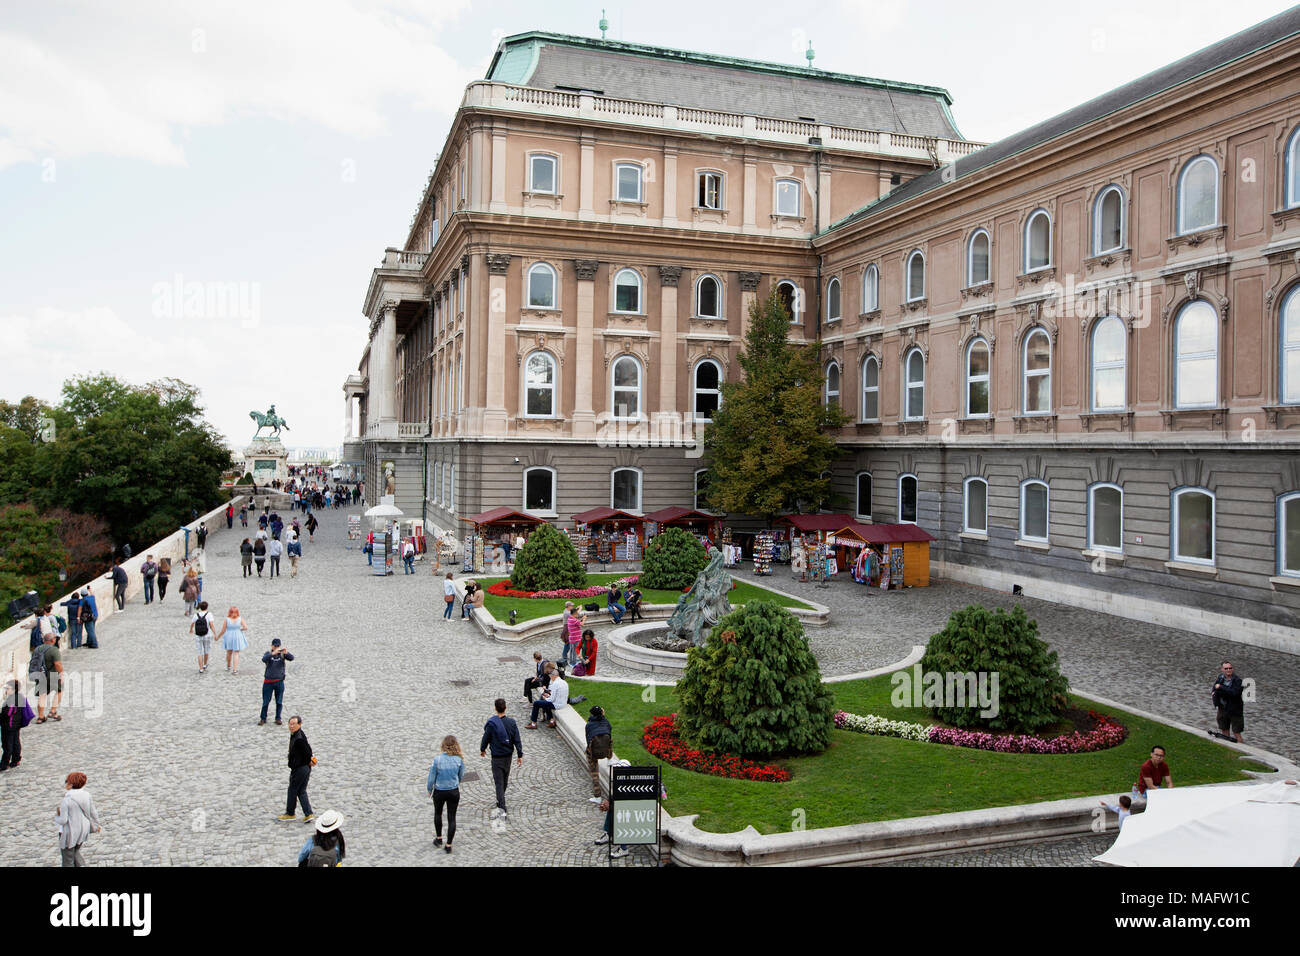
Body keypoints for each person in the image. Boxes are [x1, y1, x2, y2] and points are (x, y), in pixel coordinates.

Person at [479, 697, 523, 819]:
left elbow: (486, 738)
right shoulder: (512, 723)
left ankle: (502, 806)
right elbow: (517, 739)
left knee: (499, 782)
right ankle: (501, 800)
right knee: (504, 780)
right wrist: (520, 754)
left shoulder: (492, 724)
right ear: (505, 708)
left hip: (497, 757)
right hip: (508, 756)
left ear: (495, 708)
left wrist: (482, 749)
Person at [427, 735, 465, 853]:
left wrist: (429, 789)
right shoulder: (459, 760)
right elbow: (461, 775)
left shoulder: (437, 760)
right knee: (451, 817)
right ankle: (449, 845)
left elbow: (431, 778)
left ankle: (439, 839)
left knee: (438, 814)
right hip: (453, 791)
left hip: (439, 791)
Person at [55, 772, 102, 867]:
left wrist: (57, 816)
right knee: (75, 852)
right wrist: (97, 825)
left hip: (69, 833)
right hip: (83, 830)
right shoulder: (86, 795)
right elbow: (93, 812)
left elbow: (63, 820)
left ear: (71, 784)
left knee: (68, 860)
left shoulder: (67, 800)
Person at [280, 715, 316, 822]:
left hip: (300, 768)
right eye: (290, 724)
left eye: (293, 724)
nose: (291, 726)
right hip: (304, 768)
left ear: (299, 724)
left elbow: (307, 751)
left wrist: (309, 759)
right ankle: (308, 813)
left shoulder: (298, 738)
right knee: (301, 790)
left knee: (293, 789)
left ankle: (290, 813)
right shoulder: (297, 734)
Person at [30, 632, 64, 722]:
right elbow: (57, 664)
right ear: (53, 640)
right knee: (59, 691)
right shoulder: (54, 650)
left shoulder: (37, 649)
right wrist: (61, 673)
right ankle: (52, 711)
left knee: (42, 695)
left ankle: (41, 717)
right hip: (52, 674)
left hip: (40, 674)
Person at [259, 638, 294, 725]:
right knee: (266, 701)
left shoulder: (282, 655)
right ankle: (263, 718)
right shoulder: (268, 654)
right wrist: (272, 654)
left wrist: (287, 653)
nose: (277, 648)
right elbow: (263, 659)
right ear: (272, 646)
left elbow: (292, 658)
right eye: (275, 646)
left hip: (279, 681)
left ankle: (278, 718)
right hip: (268, 682)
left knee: (279, 701)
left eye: (278, 646)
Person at [1, 679, 32, 771]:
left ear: (14, 689)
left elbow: (7, 714)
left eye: (8, 688)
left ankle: (4, 763)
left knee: (7, 745)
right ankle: (16, 760)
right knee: (16, 743)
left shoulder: (11, 700)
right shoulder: (20, 697)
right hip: (16, 725)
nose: (6, 690)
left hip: (9, 726)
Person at [1211, 660, 1245, 743]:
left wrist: (1221, 688)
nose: (1228, 670)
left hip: (1235, 709)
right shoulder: (1220, 677)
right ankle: (1227, 745)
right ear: (1222, 669)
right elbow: (1215, 687)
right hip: (1222, 708)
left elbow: (1234, 693)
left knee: (1236, 732)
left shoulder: (1238, 681)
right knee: (1224, 729)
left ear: (1233, 669)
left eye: (1230, 668)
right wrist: (1214, 692)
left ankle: (1241, 747)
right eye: (1226, 668)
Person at [584, 705, 613, 800]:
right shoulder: (606, 722)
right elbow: (610, 732)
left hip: (594, 753)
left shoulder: (589, 725)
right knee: (609, 740)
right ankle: (610, 759)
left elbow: (588, 741)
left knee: (594, 773)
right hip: (606, 751)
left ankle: (597, 796)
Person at [525, 663, 567, 729]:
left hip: (557, 704)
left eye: (550, 676)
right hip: (563, 703)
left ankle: (533, 723)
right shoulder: (564, 682)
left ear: (553, 676)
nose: (550, 677)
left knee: (537, 703)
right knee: (546, 703)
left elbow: (551, 700)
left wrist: (545, 697)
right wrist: (548, 696)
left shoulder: (555, 684)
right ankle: (551, 720)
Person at [216, 606, 249, 673]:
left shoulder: (227, 619)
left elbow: (223, 630)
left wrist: (218, 637)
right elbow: (245, 627)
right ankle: (234, 669)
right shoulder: (240, 619)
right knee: (236, 653)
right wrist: (240, 629)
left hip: (229, 636)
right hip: (237, 635)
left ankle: (228, 666)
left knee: (229, 652)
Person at [190, 600, 216, 673]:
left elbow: (192, 623)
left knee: (199, 652)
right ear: (207, 607)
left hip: (198, 635)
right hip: (207, 634)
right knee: (206, 650)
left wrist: (191, 629)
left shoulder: (196, 615)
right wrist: (215, 633)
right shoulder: (209, 614)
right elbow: (211, 625)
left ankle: (200, 668)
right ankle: (205, 664)